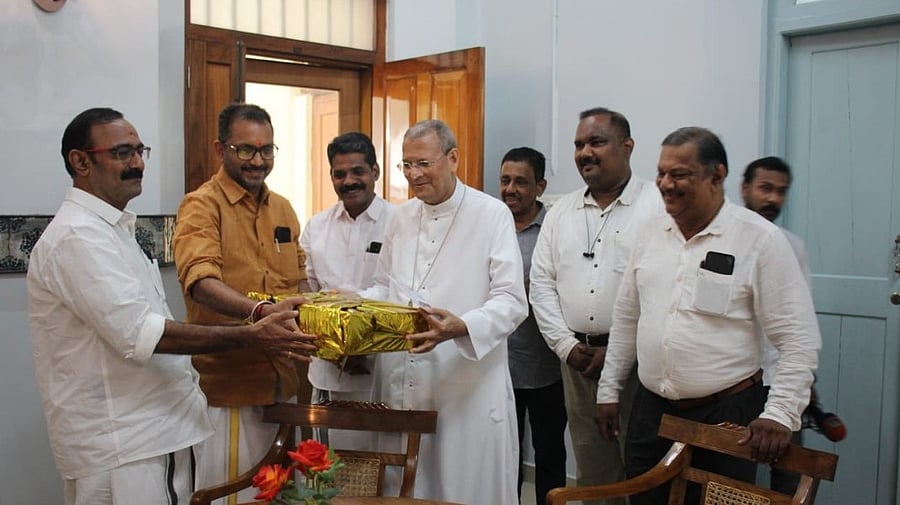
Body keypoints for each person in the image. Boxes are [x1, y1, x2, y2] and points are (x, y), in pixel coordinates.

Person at [27, 107, 316, 505]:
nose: (138, 163)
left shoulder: (115, 229)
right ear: (81, 161)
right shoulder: (77, 237)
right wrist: (254, 327)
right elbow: (144, 333)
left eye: (140, 150)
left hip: (163, 431)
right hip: (123, 443)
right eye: (123, 153)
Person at [595, 127, 821, 505]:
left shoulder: (760, 240)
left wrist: (780, 413)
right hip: (652, 409)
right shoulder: (648, 234)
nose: (665, 183)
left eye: (679, 174)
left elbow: (797, 337)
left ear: (717, 176)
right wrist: (609, 389)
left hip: (726, 414)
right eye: (661, 173)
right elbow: (628, 318)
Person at [361, 120, 528, 505]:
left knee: (461, 485)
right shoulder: (400, 218)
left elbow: (512, 300)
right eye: (406, 165)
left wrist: (462, 326)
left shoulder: (491, 215)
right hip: (402, 374)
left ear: (452, 159)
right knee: (404, 485)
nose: (414, 175)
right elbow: (384, 286)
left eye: (423, 163)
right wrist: (346, 303)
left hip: (464, 381)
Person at [173, 103, 311, 503]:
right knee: (235, 497)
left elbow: (298, 281)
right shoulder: (201, 205)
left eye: (267, 150)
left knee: (285, 496)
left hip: (285, 384)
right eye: (246, 150)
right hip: (230, 390)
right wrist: (259, 314)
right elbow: (200, 282)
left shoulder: (283, 207)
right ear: (221, 150)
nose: (259, 161)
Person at [529, 107, 661, 504]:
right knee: (592, 475)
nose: (585, 152)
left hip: (640, 365)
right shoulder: (561, 213)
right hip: (577, 362)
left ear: (627, 146)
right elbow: (541, 285)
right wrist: (566, 347)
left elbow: (662, 292)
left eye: (596, 142)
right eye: (578, 144)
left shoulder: (657, 206)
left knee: (645, 470)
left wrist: (620, 351)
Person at [300, 132, 394, 437]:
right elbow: (306, 293)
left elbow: (402, 291)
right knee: (327, 470)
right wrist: (334, 345)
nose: (348, 181)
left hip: (381, 373)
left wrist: (353, 322)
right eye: (339, 174)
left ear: (375, 172)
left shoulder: (400, 223)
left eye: (358, 171)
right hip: (329, 373)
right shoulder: (317, 226)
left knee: (381, 471)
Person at [499, 147, 567, 505]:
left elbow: (563, 288)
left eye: (520, 182)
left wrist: (529, 290)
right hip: (498, 365)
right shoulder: (490, 224)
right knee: (505, 455)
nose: (510, 189)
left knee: (549, 455)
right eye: (505, 180)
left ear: (539, 186)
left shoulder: (555, 229)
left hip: (546, 367)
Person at [741, 155, 810, 494]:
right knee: (737, 475)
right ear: (744, 189)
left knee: (788, 477)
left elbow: (801, 325)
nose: (773, 199)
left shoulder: (792, 246)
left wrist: (802, 384)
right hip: (738, 382)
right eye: (765, 188)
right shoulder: (723, 241)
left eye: (781, 192)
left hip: (780, 377)